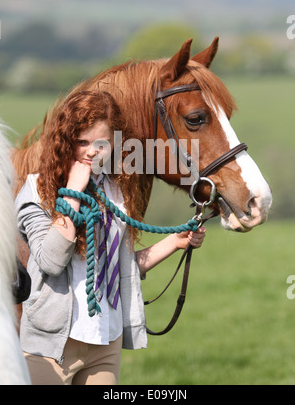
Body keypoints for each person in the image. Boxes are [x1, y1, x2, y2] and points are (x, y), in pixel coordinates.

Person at [15, 89, 206, 385]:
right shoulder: (36, 191)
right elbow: (51, 262)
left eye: (101, 143)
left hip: (105, 341)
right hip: (50, 346)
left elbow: (121, 269)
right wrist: (74, 195)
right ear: (65, 142)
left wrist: (175, 241)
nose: (92, 152)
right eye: (82, 142)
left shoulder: (114, 192)